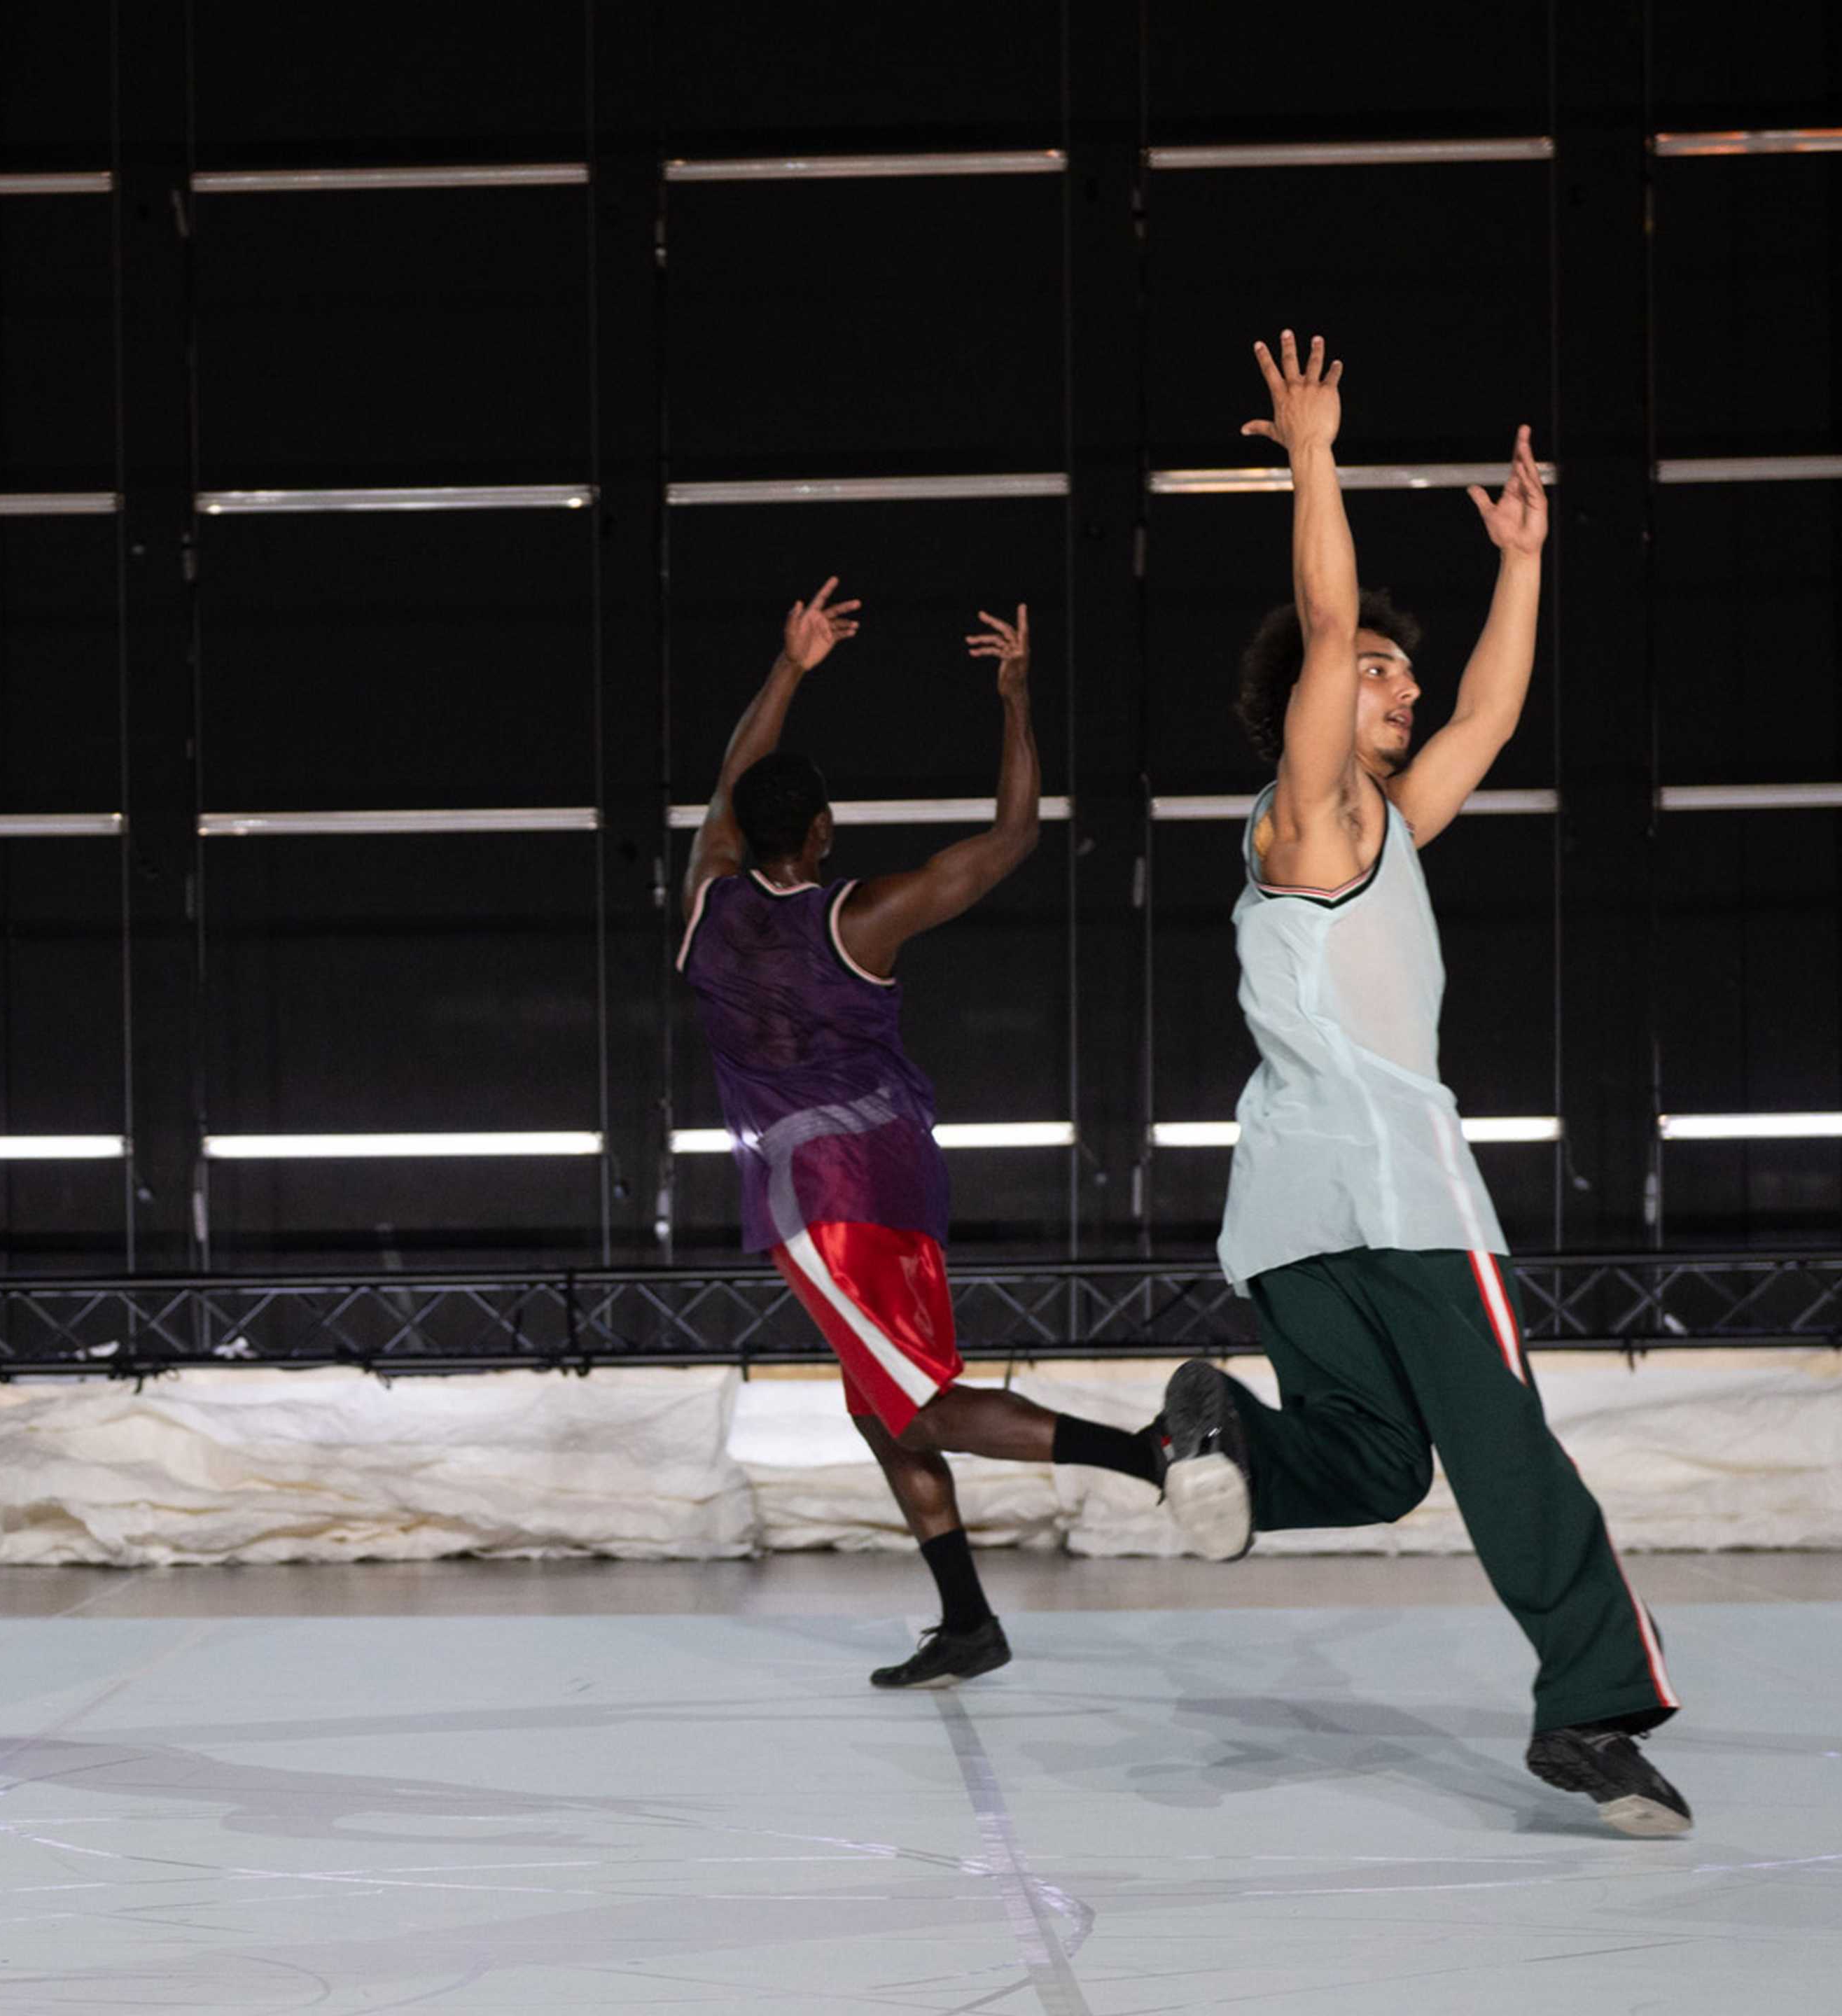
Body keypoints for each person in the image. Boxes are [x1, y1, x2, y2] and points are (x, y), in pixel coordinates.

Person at [1160, 330, 1687, 1835]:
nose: (1403, 689)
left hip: (1288, 1205)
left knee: (1378, 1463)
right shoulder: (1311, 815)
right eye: (1379, 676)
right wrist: (1316, 456)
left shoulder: (1376, 829)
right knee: (1504, 1444)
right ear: (1319, 713)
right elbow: (1326, 629)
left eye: (1403, 672)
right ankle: (1590, 1711)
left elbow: (1489, 724)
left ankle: (1218, 1441)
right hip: (1392, 1184)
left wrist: (1521, 561)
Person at [678, 584, 1173, 1688]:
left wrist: (790, 668)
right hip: (894, 1177)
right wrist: (1013, 702)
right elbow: (1011, 837)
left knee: (923, 1403)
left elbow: (725, 791)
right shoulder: (864, 915)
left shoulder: (708, 901)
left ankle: (1147, 1455)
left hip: (823, 1204)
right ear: (822, 832)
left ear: (743, 835)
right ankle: (967, 1623)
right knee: (877, 1406)